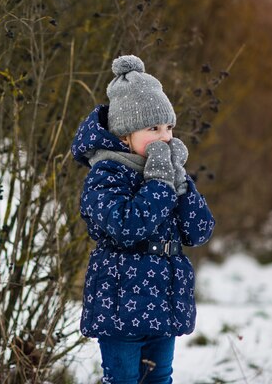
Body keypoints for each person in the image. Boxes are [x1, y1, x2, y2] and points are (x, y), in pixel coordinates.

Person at [71, 55, 215, 383]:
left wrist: (180, 184)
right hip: (120, 304)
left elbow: (199, 230)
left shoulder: (166, 173)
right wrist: (160, 185)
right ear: (125, 135)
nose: (165, 137)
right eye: (153, 128)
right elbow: (126, 226)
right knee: (123, 379)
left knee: (159, 378)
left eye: (169, 128)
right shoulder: (106, 174)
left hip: (163, 302)